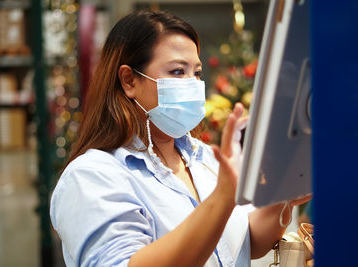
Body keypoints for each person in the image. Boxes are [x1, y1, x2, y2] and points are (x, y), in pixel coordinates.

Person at [50, 10, 310, 267]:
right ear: (129, 80)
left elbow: (246, 242)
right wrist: (223, 197)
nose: (192, 83)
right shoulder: (92, 175)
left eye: (196, 73)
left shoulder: (204, 157)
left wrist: (281, 196)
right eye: (177, 72)